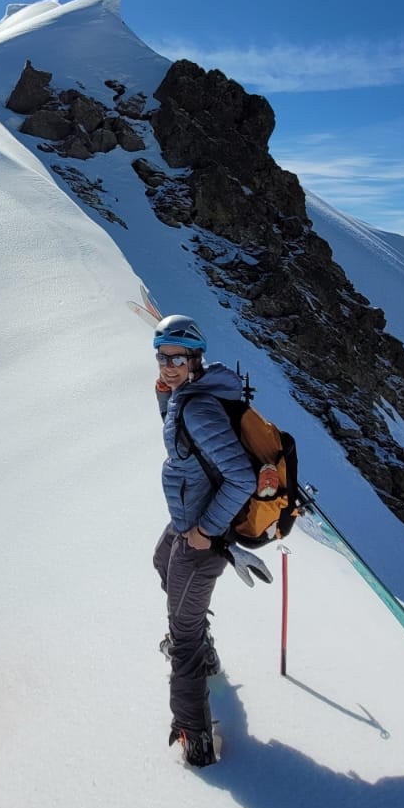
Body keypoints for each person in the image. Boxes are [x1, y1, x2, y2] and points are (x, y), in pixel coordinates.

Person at [152, 314, 258, 767]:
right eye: (161, 357)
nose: (168, 365)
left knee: (183, 637)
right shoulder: (188, 396)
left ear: (196, 358)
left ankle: (194, 740)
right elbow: (188, 444)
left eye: (177, 358)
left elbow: (241, 478)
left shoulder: (197, 406)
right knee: (160, 560)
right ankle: (204, 649)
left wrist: (205, 531)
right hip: (187, 520)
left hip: (201, 535)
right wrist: (166, 397)